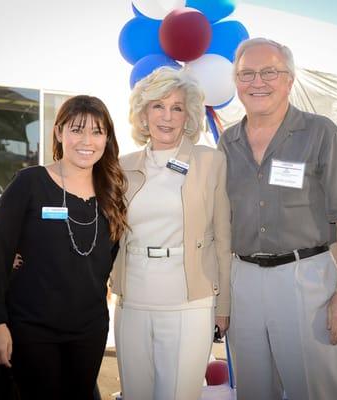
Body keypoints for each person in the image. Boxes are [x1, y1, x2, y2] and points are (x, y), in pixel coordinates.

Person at [218, 37, 337, 400]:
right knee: (253, 389)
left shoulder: (322, 134)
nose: (257, 82)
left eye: (269, 72)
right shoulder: (227, 143)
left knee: (315, 390)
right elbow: (218, 223)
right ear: (236, 82)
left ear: (289, 80)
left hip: (305, 280)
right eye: (247, 74)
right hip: (243, 282)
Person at [0, 95, 128, 400]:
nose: (87, 140)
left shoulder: (111, 190)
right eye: (76, 130)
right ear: (59, 133)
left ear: (107, 138)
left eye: (97, 132)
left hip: (89, 329)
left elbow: (105, 258)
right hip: (33, 329)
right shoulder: (29, 184)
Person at [110, 66, 231, 400]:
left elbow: (223, 239)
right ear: (143, 113)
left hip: (189, 300)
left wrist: (225, 305)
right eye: (157, 106)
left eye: (176, 107)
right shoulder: (122, 166)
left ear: (188, 115)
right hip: (132, 300)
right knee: (135, 394)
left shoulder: (210, 162)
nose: (167, 116)